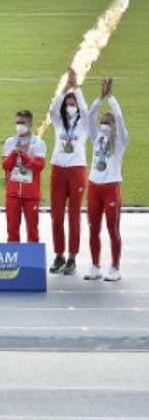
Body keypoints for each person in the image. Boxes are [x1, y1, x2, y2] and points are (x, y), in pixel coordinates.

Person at [84, 78, 125, 282]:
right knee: (94, 228)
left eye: (107, 123)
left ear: (114, 126)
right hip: (94, 187)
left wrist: (111, 97)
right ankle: (94, 265)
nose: (103, 125)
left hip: (111, 187)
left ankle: (115, 267)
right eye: (102, 122)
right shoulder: (96, 137)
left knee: (112, 228)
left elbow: (119, 115)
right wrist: (100, 98)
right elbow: (90, 115)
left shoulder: (120, 140)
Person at [47, 69, 88, 275]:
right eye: (68, 104)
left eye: (74, 104)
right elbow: (52, 110)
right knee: (56, 216)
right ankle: (59, 254)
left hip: (77, 170)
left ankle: (72, 256)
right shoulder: (59, 123)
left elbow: (87, 110)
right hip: (58, 170)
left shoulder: (84, 124)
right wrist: (65, 89)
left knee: (73, 216)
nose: (70, 107)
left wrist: (77, 88)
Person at [2, 110, 46, 243]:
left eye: (22, 122)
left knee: (32, 231)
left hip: (31, 194)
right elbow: (5, 166)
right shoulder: (10, 142)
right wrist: (15, 153)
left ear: (30, 123)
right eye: (17, 123)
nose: (19, 125)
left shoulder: (38, 143)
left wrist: (24, 155)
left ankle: (32, 262)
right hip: (13, 193)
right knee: (12, 230)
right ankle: (14, 261)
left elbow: (39, 166)